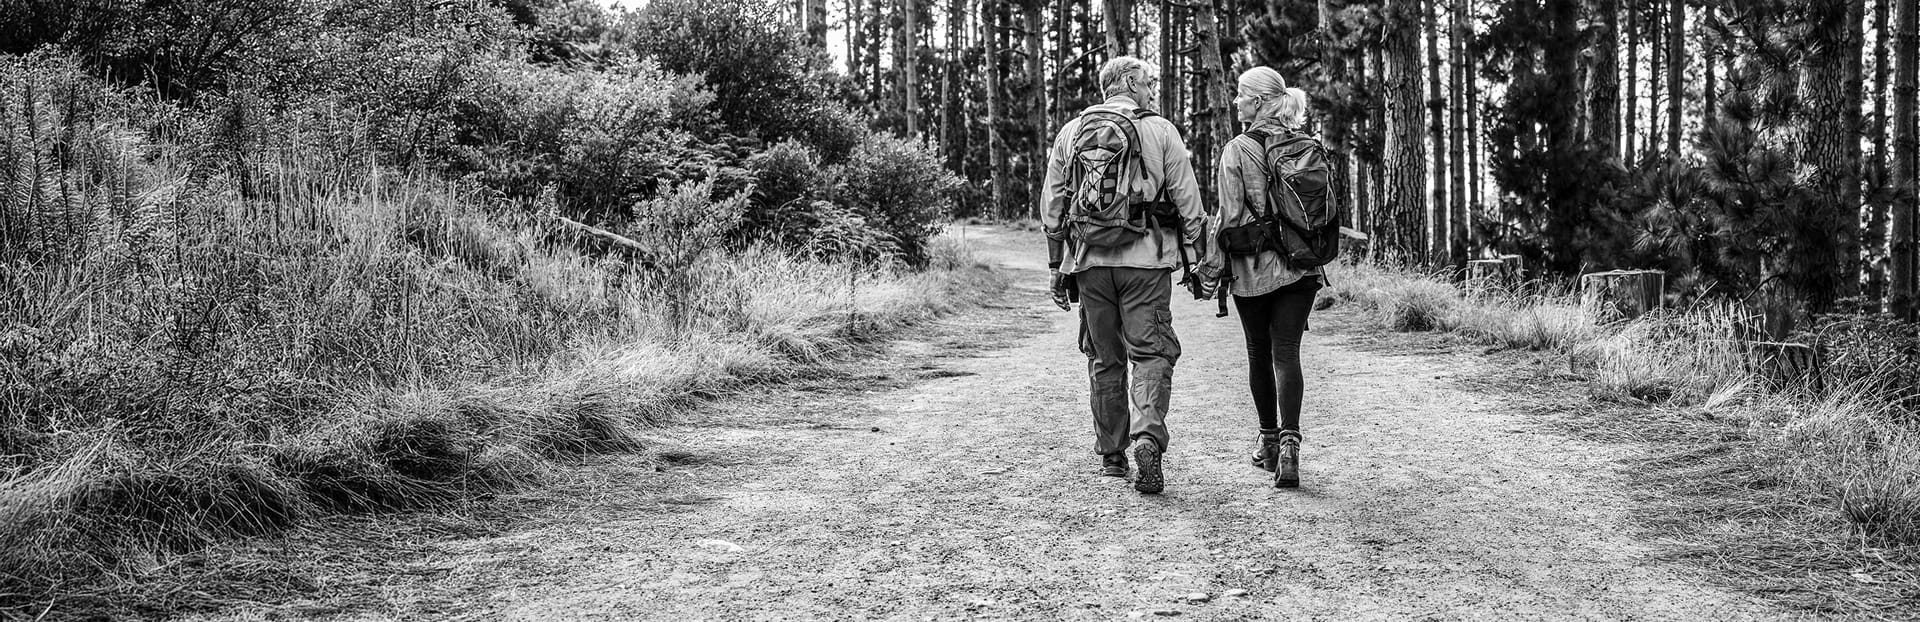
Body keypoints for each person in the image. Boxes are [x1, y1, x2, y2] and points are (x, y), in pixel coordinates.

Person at [1039, 56, 1205, 495]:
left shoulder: (1071, 132)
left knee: (1103, 358)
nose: (1151, 91)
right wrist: (1195, 257)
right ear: (1129, 82)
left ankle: (1112, 456)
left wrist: (1057, 265)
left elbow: (1052, 204)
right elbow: (1188, 201)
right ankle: (1147, 435)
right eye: (1147, 83)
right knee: (1150, 352)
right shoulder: (1161, 130)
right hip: (1146, 263)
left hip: (1090, 264)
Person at [1198, 67, 1325, 489]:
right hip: (1303, 265)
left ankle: (1269, 441)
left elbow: (1229, 217)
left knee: (1259, 352)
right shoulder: (1306, 145)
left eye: (1240, 96)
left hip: (1253, 269)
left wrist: (1211, 269)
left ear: (1257, 102)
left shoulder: (1237, 150)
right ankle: (1291, 444)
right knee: (1287, 352)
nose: (1235, 102)